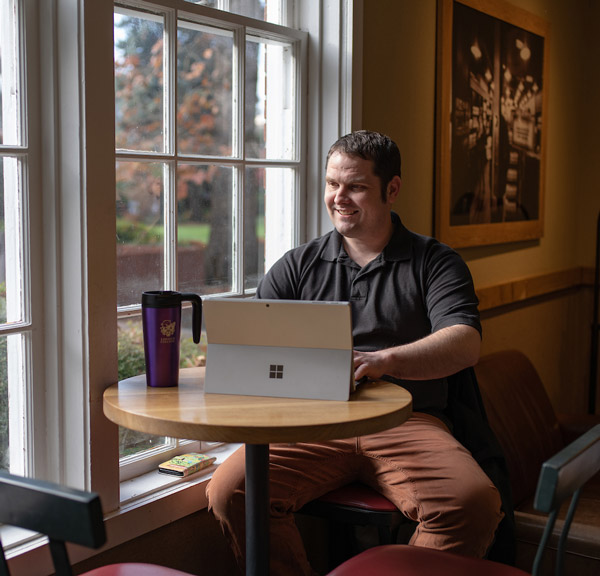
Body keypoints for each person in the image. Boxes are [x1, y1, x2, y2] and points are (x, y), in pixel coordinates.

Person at [207, 130, 513, 576]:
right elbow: (256, 350)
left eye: (356, 186)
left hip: (407, 422)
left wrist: (386, 361)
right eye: (332, 184)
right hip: (313, 425)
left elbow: (465, 342)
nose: (339, 197)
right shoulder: (295, 266)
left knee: (474, 505)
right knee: (229, 491)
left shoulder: (436, 262)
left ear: (392, 189)